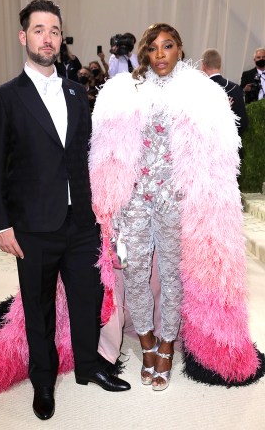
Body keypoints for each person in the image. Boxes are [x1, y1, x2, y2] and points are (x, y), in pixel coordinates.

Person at [89, 23, 265, 390]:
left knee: (172, 276)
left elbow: (217, 155)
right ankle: (148, 341)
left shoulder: (200, 93)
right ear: (145, 54)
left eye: (167, 46)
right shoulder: (125, 91)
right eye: (152, 48)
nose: (160, 54)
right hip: (135, 202)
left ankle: (168, 342)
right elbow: (109, 152)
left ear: (179, 49)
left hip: (176, 202)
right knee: (136, 276)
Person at [0, 0, 130, 421]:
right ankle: (42, 380)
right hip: (32, 226)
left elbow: (85, 154)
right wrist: (0, 226)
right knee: (39, 307)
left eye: (54, 31)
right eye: (39, 30)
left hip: (80, 222)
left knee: (87, 298)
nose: (48, 38)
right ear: (23, 36)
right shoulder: (6, 97)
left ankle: (89, 366)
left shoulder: (75, 91)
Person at [201, 48, 248, 136]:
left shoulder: (200, 90)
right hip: (232, 145)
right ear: (220, 65)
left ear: (203, 66)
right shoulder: (235, 88)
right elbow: (243, 123)